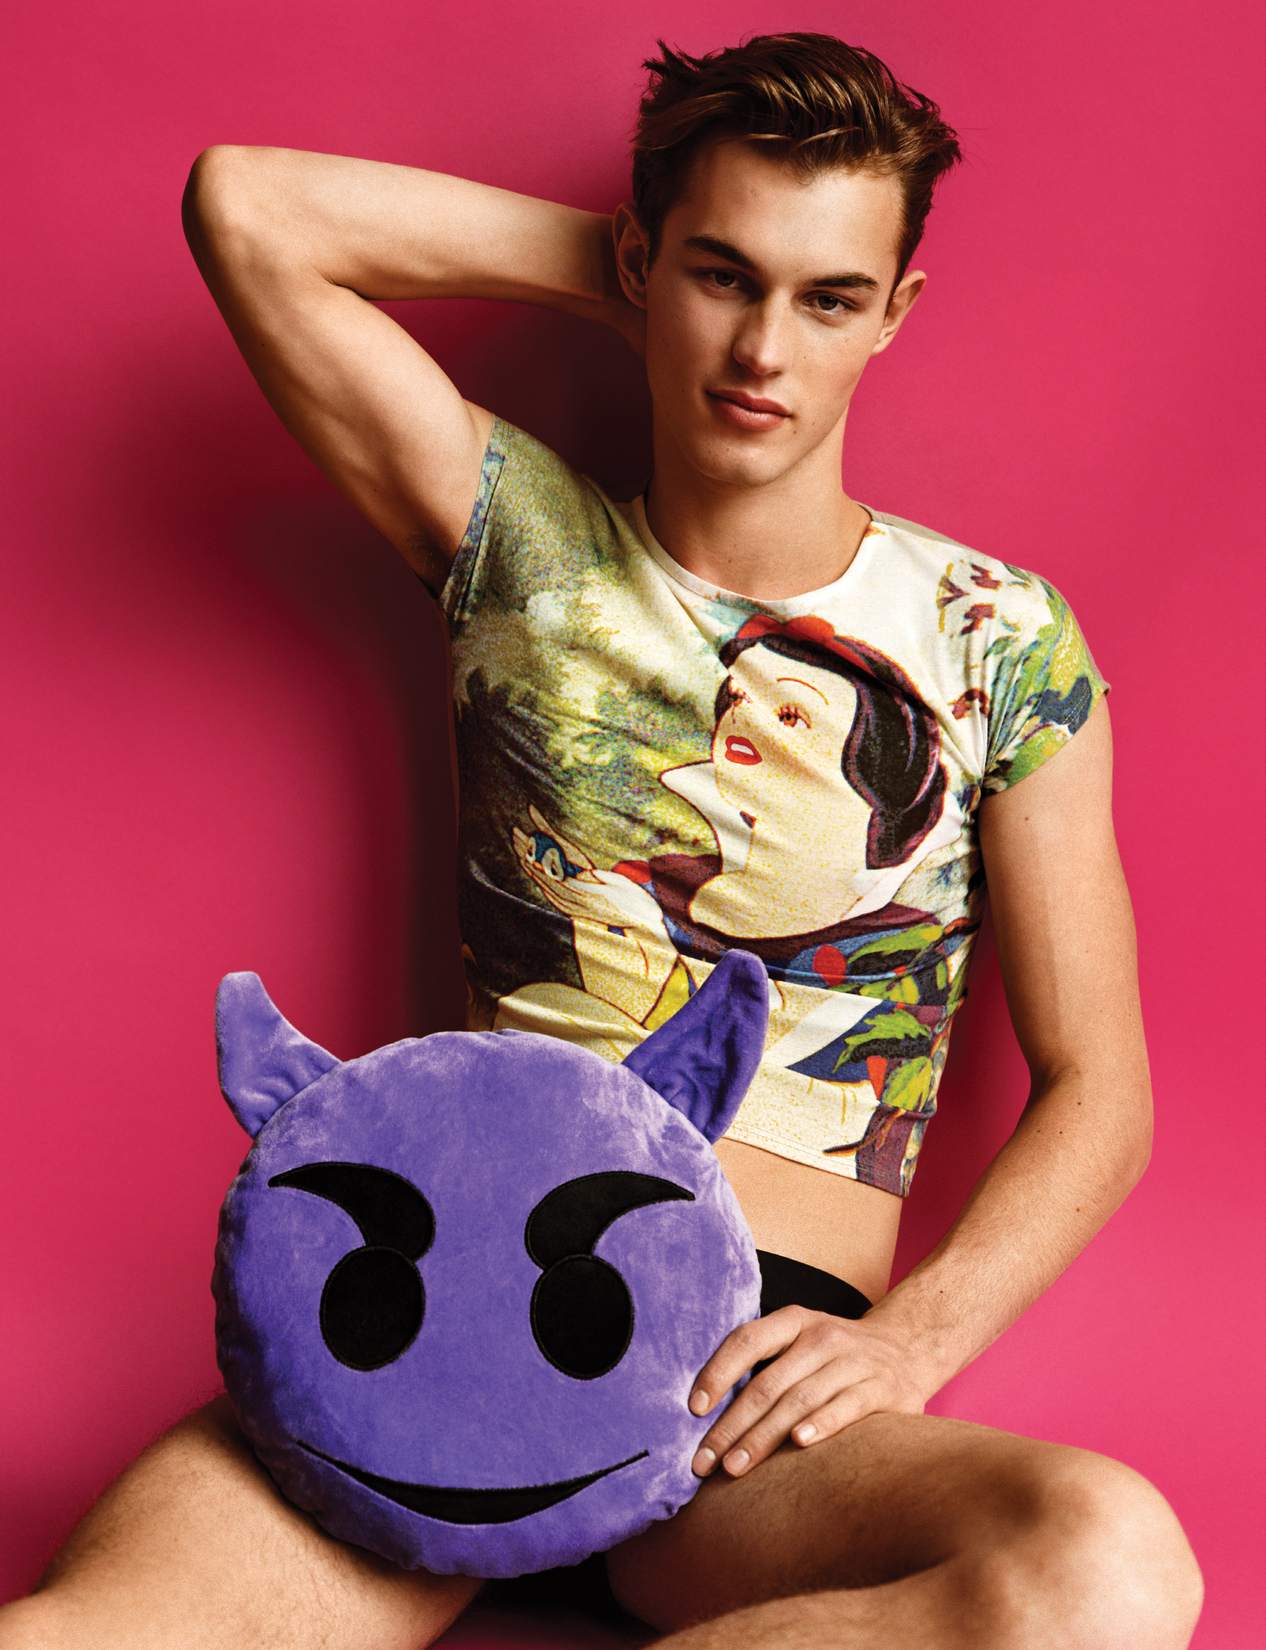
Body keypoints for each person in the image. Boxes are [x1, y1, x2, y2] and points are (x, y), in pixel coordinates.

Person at [0, 32, 1203, 1650]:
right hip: (410, 1331)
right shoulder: (517, 536)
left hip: (740, 1399)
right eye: (722, 276)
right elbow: (249, 210)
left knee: (1107, 1570)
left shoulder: (997, 638)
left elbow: (1099, 1088)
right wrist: (630, 269)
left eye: (828, 298)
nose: (761, 348)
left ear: (894, 313)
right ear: (643, 266)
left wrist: (911, 1340)